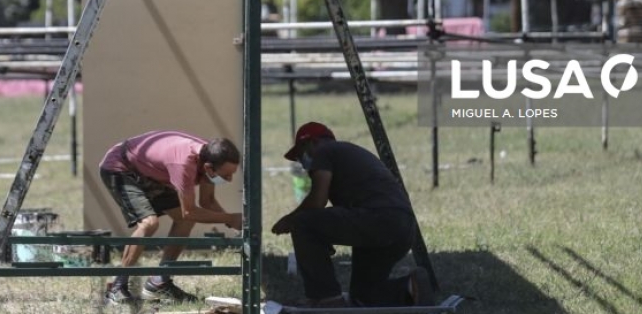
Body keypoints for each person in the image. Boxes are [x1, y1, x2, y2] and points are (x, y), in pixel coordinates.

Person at [271, 122, 434, 307]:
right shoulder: (348, 153)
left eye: (300, 154)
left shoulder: (325, 152)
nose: (302, 162)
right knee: (363, 296)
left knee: (302, 223)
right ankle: (411, 286)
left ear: (311, 143)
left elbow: (317, 201)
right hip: (403, 227)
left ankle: (326, 298)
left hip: (377, 218)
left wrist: (290, 220)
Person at [98, 130, 242, 305]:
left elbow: (208, 201)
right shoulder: (183, 163)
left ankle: (159, 282)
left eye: (232, 173)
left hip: (150, 172)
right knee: (149, 223)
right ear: (209, 168)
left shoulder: (209, 156)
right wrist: (231, 218)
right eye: (226, 175)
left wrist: (236, 225)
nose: (230, 179)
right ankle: (116, 288)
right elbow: (188, 211)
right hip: (120, 167)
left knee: (185, 221)